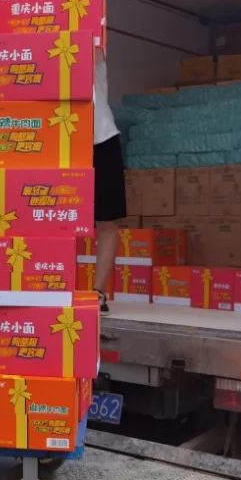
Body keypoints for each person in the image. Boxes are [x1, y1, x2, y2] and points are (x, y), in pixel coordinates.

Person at [92, 50, 127, 313]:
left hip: (100, 138)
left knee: (107, 221)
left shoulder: (93, 42)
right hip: (57, 138)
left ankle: (98, 292)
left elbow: (93, 53)